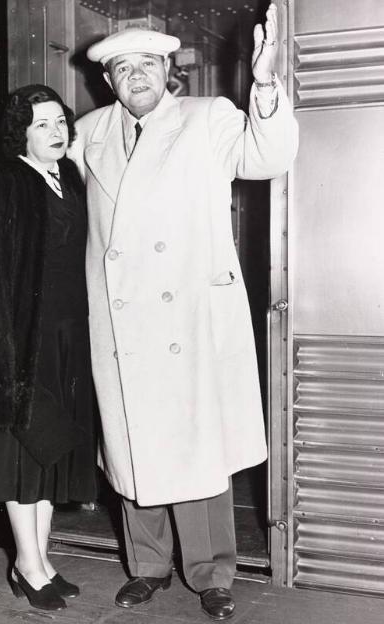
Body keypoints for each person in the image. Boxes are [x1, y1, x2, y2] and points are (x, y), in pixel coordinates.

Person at [68, 3, 298, 621]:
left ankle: (212, 573)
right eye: (122, 68)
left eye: (147, 64)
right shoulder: (87, 132)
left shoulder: (207, 118)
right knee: (131, 445)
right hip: (120, 321)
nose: (135, 75)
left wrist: (266, 84)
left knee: (196, 447)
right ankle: (147, 567)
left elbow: (267, 156)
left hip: (187, 315)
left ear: (168, 71)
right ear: (107, 81)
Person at [0, 84, 97, 612]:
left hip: (68, 339)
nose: (55, 132)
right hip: (15, 346)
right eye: (41, 124)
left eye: (60, 122)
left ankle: (42, 560)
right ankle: (27, 565)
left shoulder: (68, 178)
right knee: (20, 459)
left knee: (49, 456)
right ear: (19, 135)